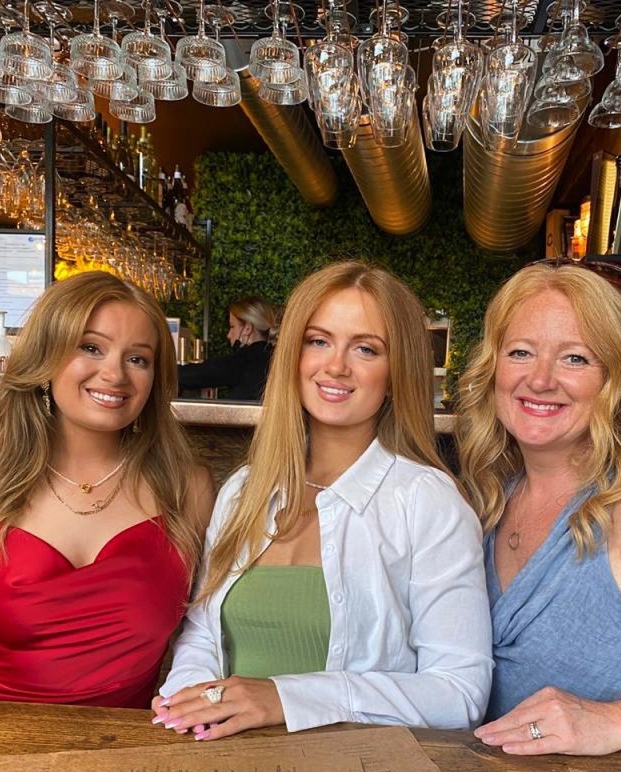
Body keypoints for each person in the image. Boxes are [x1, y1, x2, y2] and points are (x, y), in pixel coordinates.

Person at [152, 261, 492, 740]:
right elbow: (203, 633)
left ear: (397, 372)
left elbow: (460, 694)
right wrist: (189, 701)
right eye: (318, 341)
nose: (336, 366)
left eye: (366, 349)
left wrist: (286, 698)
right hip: (221, 768)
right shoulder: (245, 489)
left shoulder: (428, 502)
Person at [455, 262, 621, 756]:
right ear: (493, 369)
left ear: (614, 381)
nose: (540, 379)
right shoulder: (487, 501)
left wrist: (619, 721)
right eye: (521, 352)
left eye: (575, 358)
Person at [0, 271, 214, 708]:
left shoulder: (187, 491)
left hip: (117, 745)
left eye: (138, 359)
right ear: (46, 356)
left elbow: (210, 638)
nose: (114, 373)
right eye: (90, 347)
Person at [178, 297, 275, 401]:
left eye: (232, 326)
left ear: (247, 328)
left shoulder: (245, 360)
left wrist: (169, 370)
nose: (229, 335)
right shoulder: (275, 357)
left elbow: (200, 374)